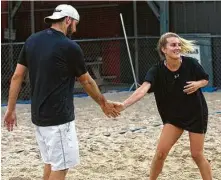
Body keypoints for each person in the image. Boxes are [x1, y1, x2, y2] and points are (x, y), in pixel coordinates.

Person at [3, 4, 121, 180]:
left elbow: (17, 76)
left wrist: (10, 109)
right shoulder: (69, 46)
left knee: (51, 162)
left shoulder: (32, 40)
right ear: (68, 20)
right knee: (62, 167)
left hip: (38, 116)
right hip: (59, 118)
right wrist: (103, 103)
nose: (75, 28)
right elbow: (87, 80)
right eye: (75, 24)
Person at [115, 32, 212, 180]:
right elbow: (143, 89)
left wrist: (198, 84)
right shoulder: (157, 70)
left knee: (196, 154)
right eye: (173, 45)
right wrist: (123, 105)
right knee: (160, 153)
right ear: (163, 49)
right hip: (173, 117)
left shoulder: (191, 64)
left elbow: (205, 79)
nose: (177, 47)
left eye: (179, 44)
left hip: (195, 114)